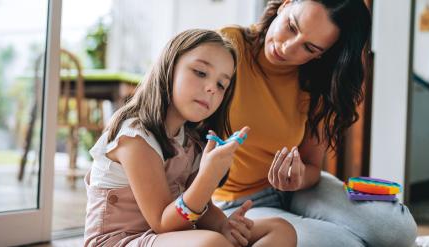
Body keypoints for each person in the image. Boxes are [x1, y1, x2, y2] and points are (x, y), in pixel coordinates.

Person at [212, 0, 418, 246]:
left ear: (323, 54)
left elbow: (312, 167)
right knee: (347, 244)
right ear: (285, 4)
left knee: (398, 230)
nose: (288, 48)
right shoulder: (228, 47)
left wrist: (298, 178)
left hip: (298, 191)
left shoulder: (317, 81)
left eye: (309, 48)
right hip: (237, 201)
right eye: (291, 26)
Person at [84, 29, 295, 247]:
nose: (212, 87)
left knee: (280, 229)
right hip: (122, 241)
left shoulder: (191, 142)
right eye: (201, 72)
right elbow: (163, 224)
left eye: (222, 84)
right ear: (170, 66)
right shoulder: (136, 138)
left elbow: (203, 210)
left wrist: (225, 226)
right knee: (211, 243)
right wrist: (209, 176)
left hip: (169, 237)